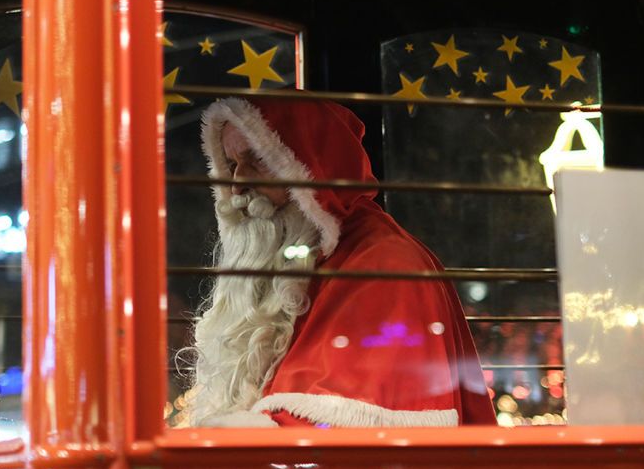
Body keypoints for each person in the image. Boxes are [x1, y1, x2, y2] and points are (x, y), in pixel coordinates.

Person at [187, 97, 496, 427]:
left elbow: (346, 433)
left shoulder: (384, 264)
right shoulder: (308, 264)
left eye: (258, 160)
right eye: (232, 165)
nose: (238, 185)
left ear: (308, 167)